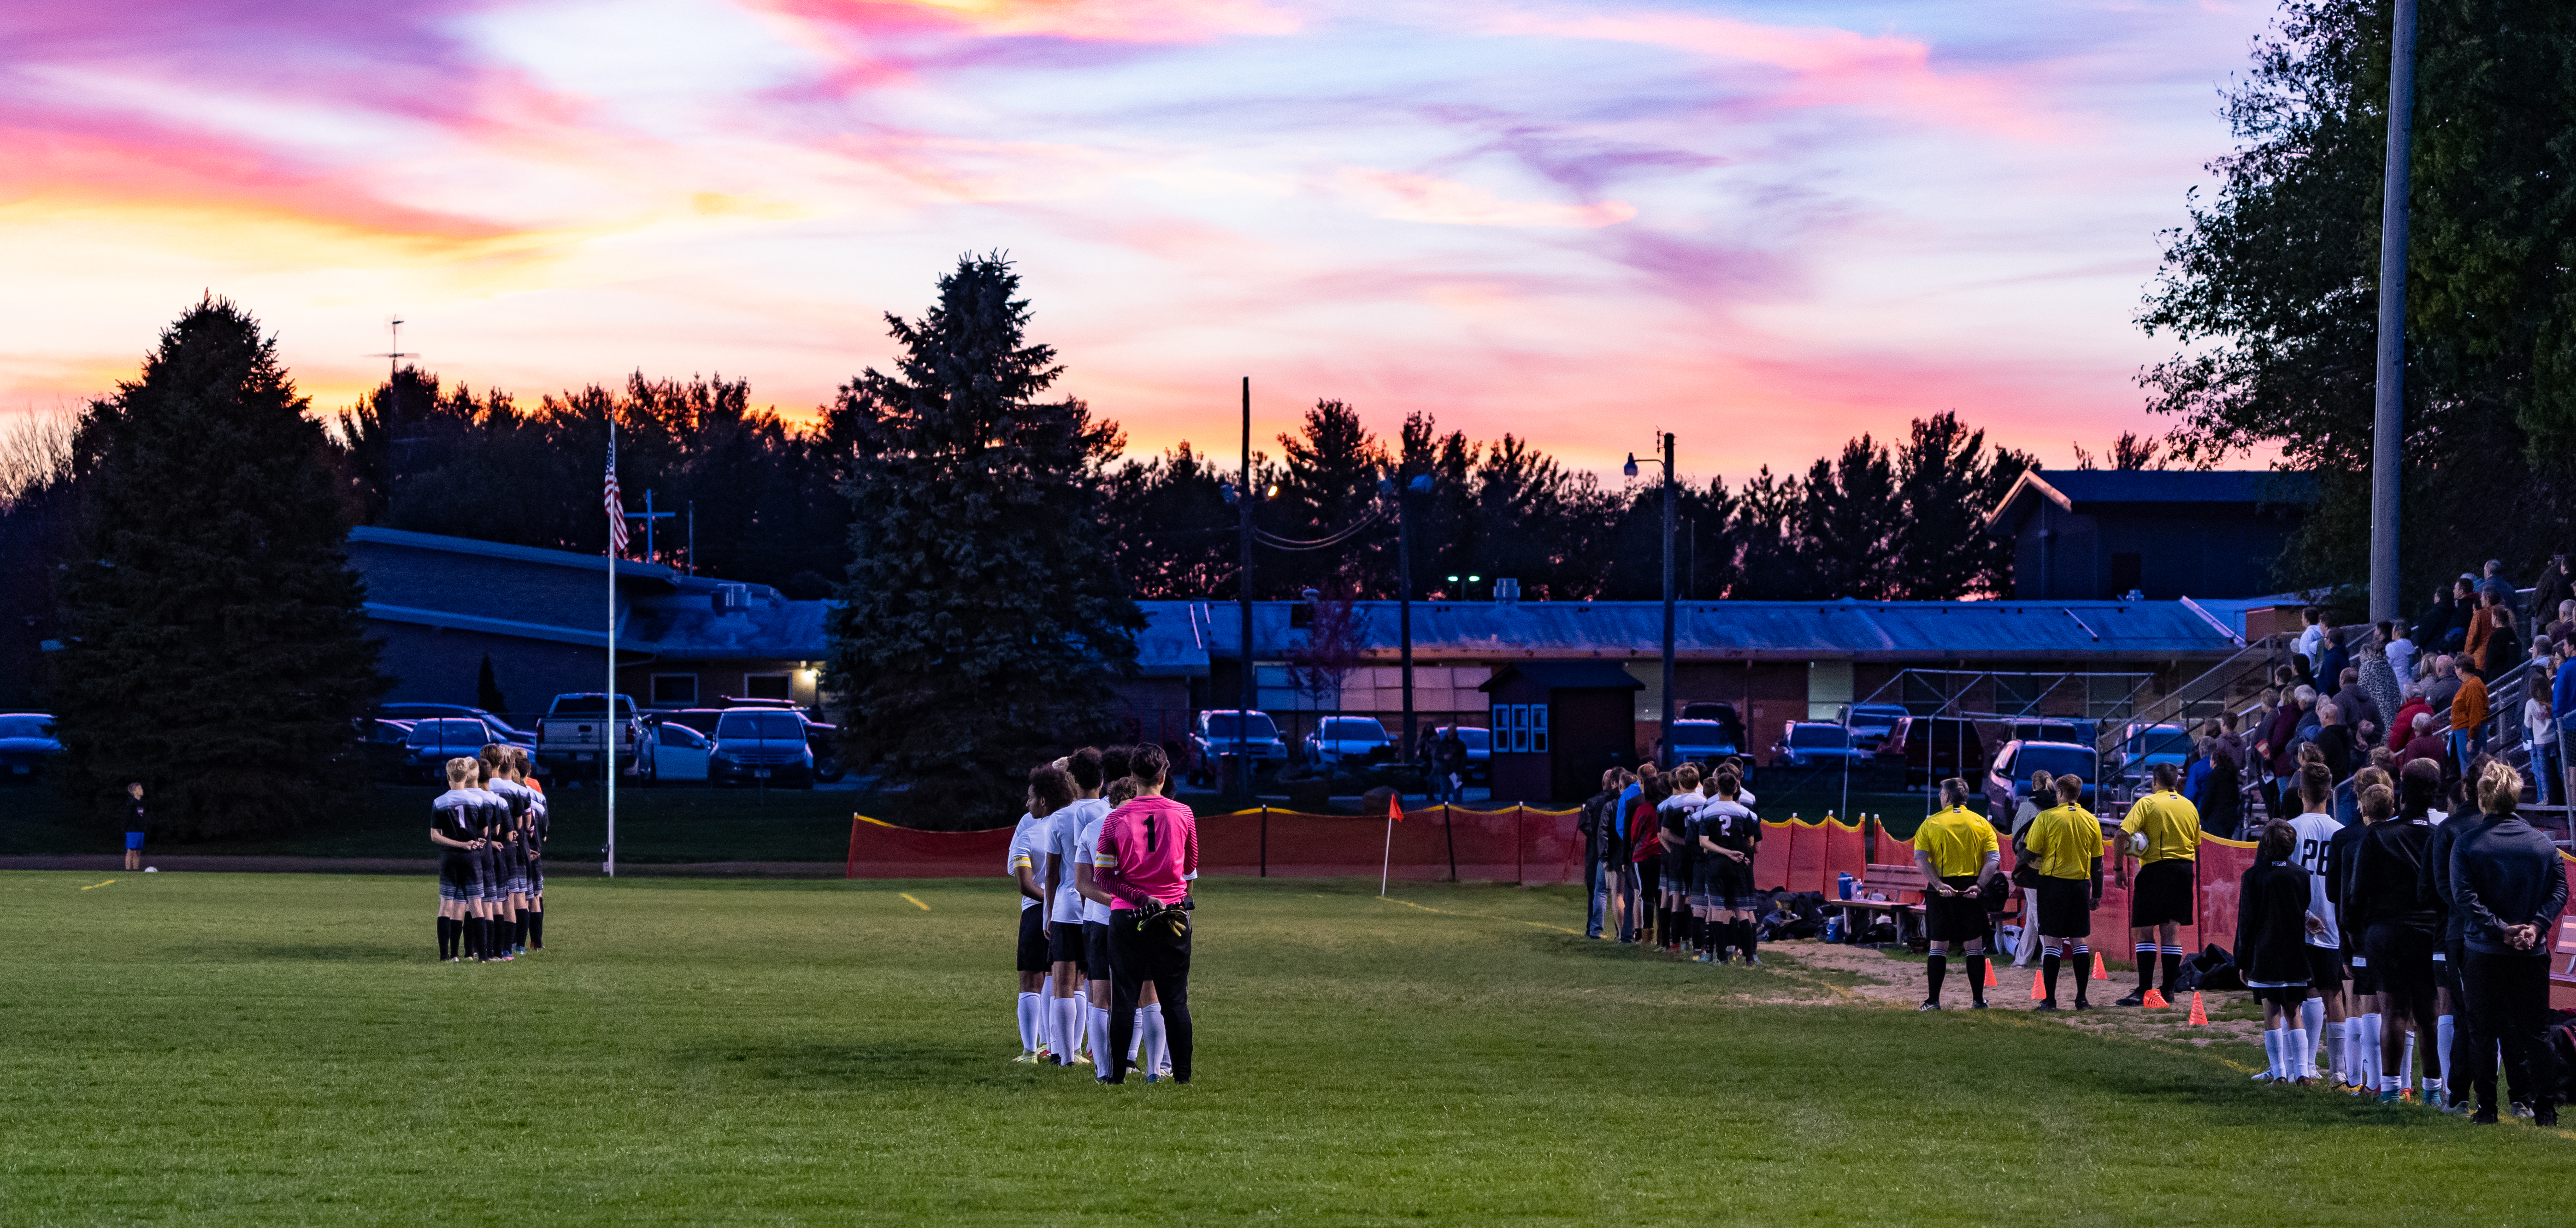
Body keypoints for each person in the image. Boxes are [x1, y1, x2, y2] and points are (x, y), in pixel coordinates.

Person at [2451, 760, 2569, 1125]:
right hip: (2530, 952)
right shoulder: (2542, 844)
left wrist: (2499, 929)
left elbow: (2464, 897)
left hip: (2484, 952)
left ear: (2481, 798)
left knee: (2482, 1033)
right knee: (2535, 1033)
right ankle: (2544, 1110)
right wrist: (2535, 926)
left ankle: (2486, 1109)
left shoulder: (2467, 844)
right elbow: (2559, 889)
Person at [1088, 742, 1199, 1086]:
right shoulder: (1184, 814)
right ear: (1164, 776)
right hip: (1172, 917)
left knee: (1123, 999)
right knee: (1174, 1001)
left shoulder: (1114, 819)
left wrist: (1138, 895)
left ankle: (1116, 1078)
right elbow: (1191, 867)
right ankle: (1181, 1078)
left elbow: (1103, 876)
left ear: (1133, 776)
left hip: (1127, 918)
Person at [2351, 779, 2444, 1105]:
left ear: (2401, 798)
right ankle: (2433, 1093)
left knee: (2392, 1012)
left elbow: (2357, 892)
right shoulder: (2438, 835)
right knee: (2429, 1016)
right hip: (2428, 933)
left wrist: (2353, 937)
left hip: (2386, 932)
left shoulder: (2378, 835)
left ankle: (2389, 1091)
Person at [1044, 750, 1111, 1068]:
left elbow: (1052, 872)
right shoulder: (1109, 812)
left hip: (1065, 905)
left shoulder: (1059, 816)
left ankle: (1063, 1053)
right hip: (1097, 905)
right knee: (1088, 981)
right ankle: (1092, 1050)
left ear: (1072, 780)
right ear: (1102, 780)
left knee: (1062, 983)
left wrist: (1047, 912)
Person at [2237, 821, 2318, 1085]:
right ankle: (2303, 1073)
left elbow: (2246, 921)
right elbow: (2301, 907)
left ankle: (2280, 1073)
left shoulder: (2253, 876)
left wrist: (2242, 959)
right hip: (2295, 951)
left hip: (2265, 952)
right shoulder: (2302, 875)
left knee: (2271, 1011)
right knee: (2294, 1011)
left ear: (2264, 845)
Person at [2116, 762, 2200, 1007]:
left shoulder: (2147, 803)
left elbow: (2122, 835)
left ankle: (2144, 990)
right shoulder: (2189, 806)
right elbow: (2195, 844)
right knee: (2171, 931)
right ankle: (2169, 990)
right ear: (2175, 781)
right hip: (2184, 870)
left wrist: (2119, 868)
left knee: (2144, 930)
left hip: (2155, 869)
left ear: (2155, 782)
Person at [1913, 778, 1999, 1010]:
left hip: (1941, 888)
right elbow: (1994, 860)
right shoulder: (1981, 823)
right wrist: (1980, 886)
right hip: (1972, 888)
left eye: (1941, 794)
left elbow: (1920, 858)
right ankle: (1979, 1001)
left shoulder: (1932, 824)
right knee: (1974, 946)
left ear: (1947, 797)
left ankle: (1933, 1001)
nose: (1940, 797)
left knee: (1938, 946)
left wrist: (1938, 884)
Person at [2283, 762, 2345, 1084]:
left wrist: (2304, 916)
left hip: (2301, 921)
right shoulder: (2340, 831)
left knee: (2303, 992)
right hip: (2333, 922)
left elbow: (2285, 881)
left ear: (2300, 792)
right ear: (2330, 792)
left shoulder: (2290, 830)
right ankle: (2338, 1070)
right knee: (2333, 994)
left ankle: (2303, 1066)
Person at [2022, 773, 2103, 1011]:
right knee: (2079, 942)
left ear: (2058, 793)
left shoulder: (2046, 818)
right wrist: (2097, 894)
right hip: (2080, 885)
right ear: (2078, 794)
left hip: (2053, 885)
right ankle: (2082, 999)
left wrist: (2020, 859)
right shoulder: (2091, 820)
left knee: (2052, 943)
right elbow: (2097, 862)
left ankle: (2050, 1000)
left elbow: (2031, 852)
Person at [1006, 765, 1067, 1063]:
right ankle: (1067, 1050)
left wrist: (1048, 901)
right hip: (1071, 914)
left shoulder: (1028, 834)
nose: (1027, 804)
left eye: (1030, 798)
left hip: (1036, 914)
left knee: (1030, 981)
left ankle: (1030, 1052)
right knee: (1068, 982)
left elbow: (1024, 884)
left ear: (1043, 801)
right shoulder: (1072, 830)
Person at [1695, 771, 1762, 966]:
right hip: (1738, 866)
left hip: (1716, 866)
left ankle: (1722, 958)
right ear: (1736, 789)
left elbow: (1703, 842)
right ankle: (1750, 958)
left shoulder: (1708, 812)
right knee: (1742, 911)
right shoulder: (1745, 813)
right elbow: (1751, 841)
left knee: (1717, 909)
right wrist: (1734, 851)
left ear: (1717, 789)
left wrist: (1724, 851)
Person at [430, 757, 484, 962]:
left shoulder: (440, 802)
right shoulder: (477, 800)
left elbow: (435, 836)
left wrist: (458, 843)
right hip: (471, 859)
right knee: (476, 905)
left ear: (448, 777)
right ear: (467, 776)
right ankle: (483, 956)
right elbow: (484, 831)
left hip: (450, 858)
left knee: (446, 905)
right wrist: (474, 841)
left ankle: (446, 956)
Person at [2008, 768, 2052, 967]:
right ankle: (2022, 959)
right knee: (2035, 912)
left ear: (2034, 785)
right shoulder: (2057, 805)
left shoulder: (2028, 807)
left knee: (2037, 912)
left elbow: (2017, 836)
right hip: (2054, 864)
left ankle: (2048, 957)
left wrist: (2021, 858)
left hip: (2033, 864)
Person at [2451, 663, 2490, 776]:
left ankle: (2471, 793)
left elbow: (2475, 713)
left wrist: (2471, 739)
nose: (2455, 671)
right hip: (2464, 733)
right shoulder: (2469, 684)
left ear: (2461, 669)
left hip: (2467, 734)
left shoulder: (2473, 685)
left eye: (2456, 668)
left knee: (2471, 772)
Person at [2526, 677, 2559, 808]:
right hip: (2555, 738)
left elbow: (2527, 724)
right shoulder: (2553, 700)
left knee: (2543, 773)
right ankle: (2567, 797)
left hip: (2540, 742)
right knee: (2561, 770)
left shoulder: (2530, 703)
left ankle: (2546, 799)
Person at [2310, 698, 2357, 785]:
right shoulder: (2345, 734)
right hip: (2345, 780)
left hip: (2331, 783)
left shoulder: (2326, 736)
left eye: (2320, 717)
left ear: (2326, 716)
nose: (2320, 720)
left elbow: (2323, 759)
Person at [2317, 614, 2349, 699]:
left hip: (2331, 698)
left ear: (2330, 640)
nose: (2325, 641)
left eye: (2325, 638)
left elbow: (2330, 682)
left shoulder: (2330, 658)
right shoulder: (2343, 655)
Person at [2384, 620, 2420, 695]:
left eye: (2393, 631)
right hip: (2410, 685)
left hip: (2395, 688)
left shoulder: (2392, 647)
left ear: (2397, 633)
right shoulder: (2410, 646)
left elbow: (2384, 666)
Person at [121, 781, 146, 871]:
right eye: (139, 789)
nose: (142, 790)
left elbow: (142, 816)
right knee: (130, 851)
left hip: (140, 829)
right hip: (132, 830)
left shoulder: (142, 802)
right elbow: (128, 817)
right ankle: (128, 873)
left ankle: (136, 873)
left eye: (141, 788)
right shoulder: (131, 803)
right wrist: (128, 828)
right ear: (134, 792)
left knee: (138, 852)